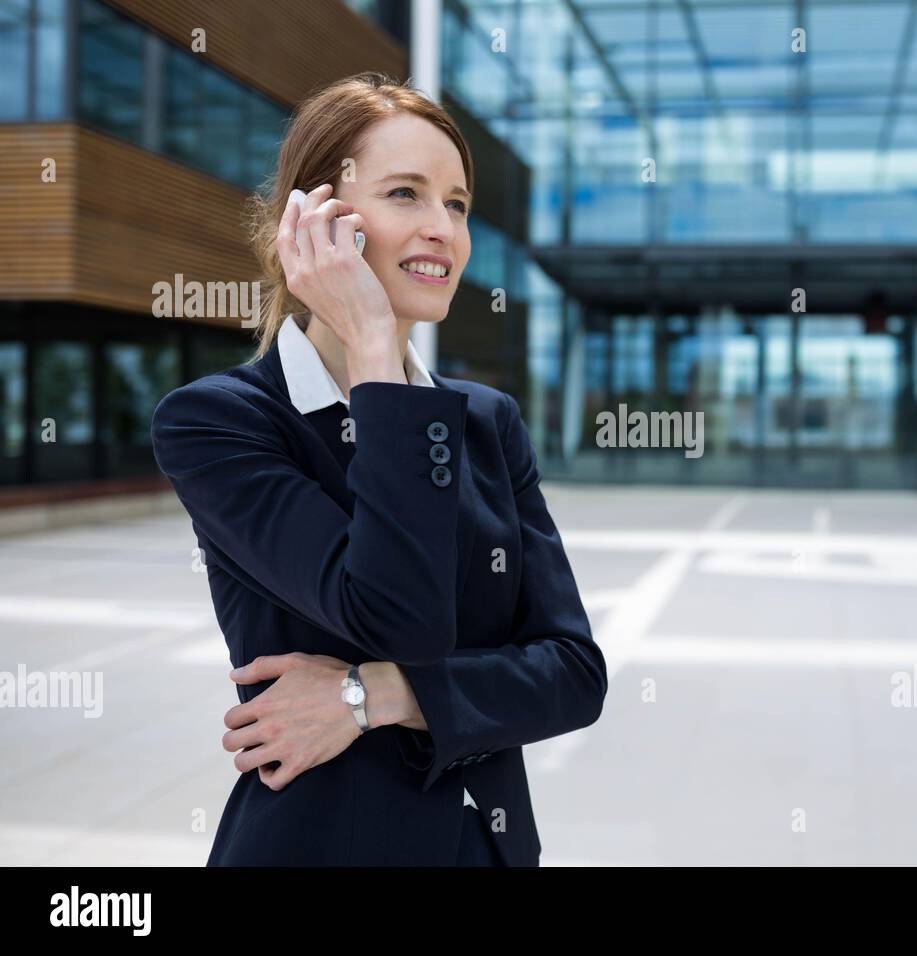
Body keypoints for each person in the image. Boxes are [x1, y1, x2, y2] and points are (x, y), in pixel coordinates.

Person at [150, 73, 607, 866]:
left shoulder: (487, 421)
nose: (444, 229)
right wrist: (369, 346)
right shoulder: (221, 421)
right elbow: (400, 616)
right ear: (316, 220)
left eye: (457, 204)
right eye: (406, 194)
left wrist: (375, 696)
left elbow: (573, 674)